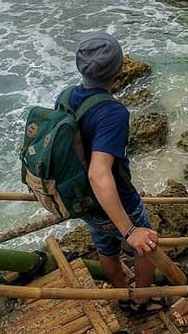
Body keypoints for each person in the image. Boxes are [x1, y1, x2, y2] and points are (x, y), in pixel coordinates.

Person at [65, 31, 162, 312]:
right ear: (120, 69)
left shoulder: (67, 96)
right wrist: (130, 230)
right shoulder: (113, 112)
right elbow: (99, 173)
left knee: (105, 245)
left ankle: (121, 293)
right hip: (115, 199)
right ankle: (142, 299)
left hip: (83, 198)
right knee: (147, 242)